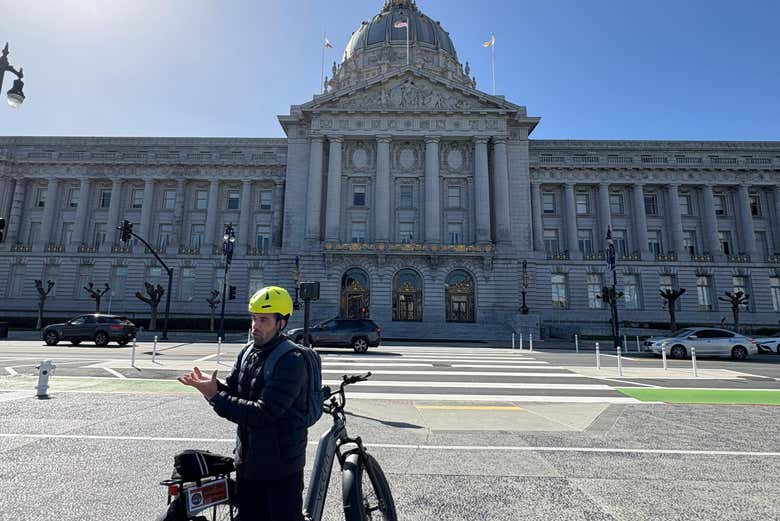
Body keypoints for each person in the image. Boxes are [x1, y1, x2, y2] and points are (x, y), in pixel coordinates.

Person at [178, 286, 308, 521]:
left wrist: (216, 396)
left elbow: (263, 413)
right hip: (248, 462)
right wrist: (214, 388)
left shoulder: (292, 361)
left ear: (281, 324)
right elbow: (237, 394)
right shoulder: (247, 352)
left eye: (263, 320)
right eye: (253, 318)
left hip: (281, 468)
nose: (255, 326)